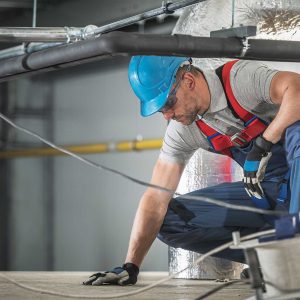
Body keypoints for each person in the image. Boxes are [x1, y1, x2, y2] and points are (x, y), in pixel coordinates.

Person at [83, 56, 300, 286]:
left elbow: (297, 89)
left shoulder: (239, 80)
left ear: (188, 80)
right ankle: (271, 259)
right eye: (160, 111)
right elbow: (156, 198)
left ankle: (294, 257)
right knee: (171, 222)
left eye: (167, 104)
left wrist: (265, 142)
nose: (167, 115)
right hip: (276, 191)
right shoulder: (183, 130)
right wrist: (131, 265)